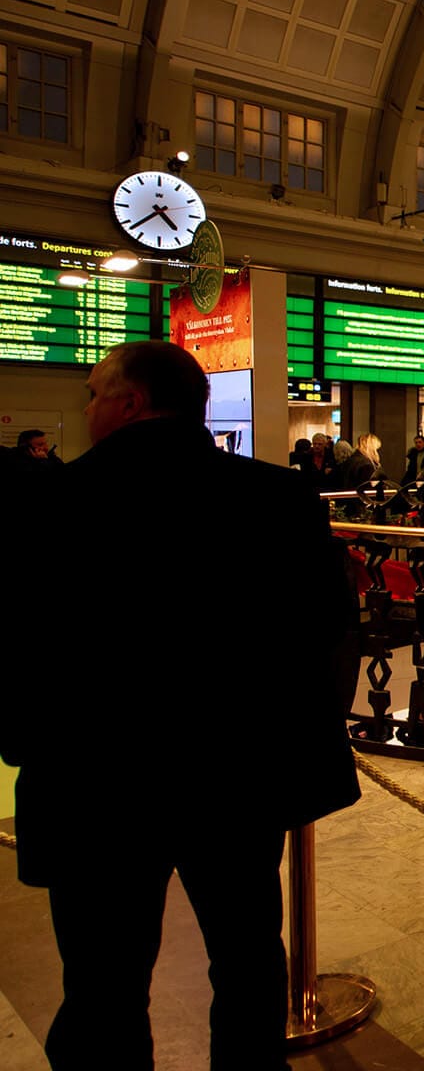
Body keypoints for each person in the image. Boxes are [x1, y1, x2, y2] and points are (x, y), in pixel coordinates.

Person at [1, 340, 359, 1070]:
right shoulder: (276, 497)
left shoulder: (46, 502)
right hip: (238, 782)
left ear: (131, 403)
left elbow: (13, 644)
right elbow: (327, 632)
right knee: (248, 960)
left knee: (102, 984)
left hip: (94, 786)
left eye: (96, 392)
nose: (88, 405)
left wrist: (25, 740)